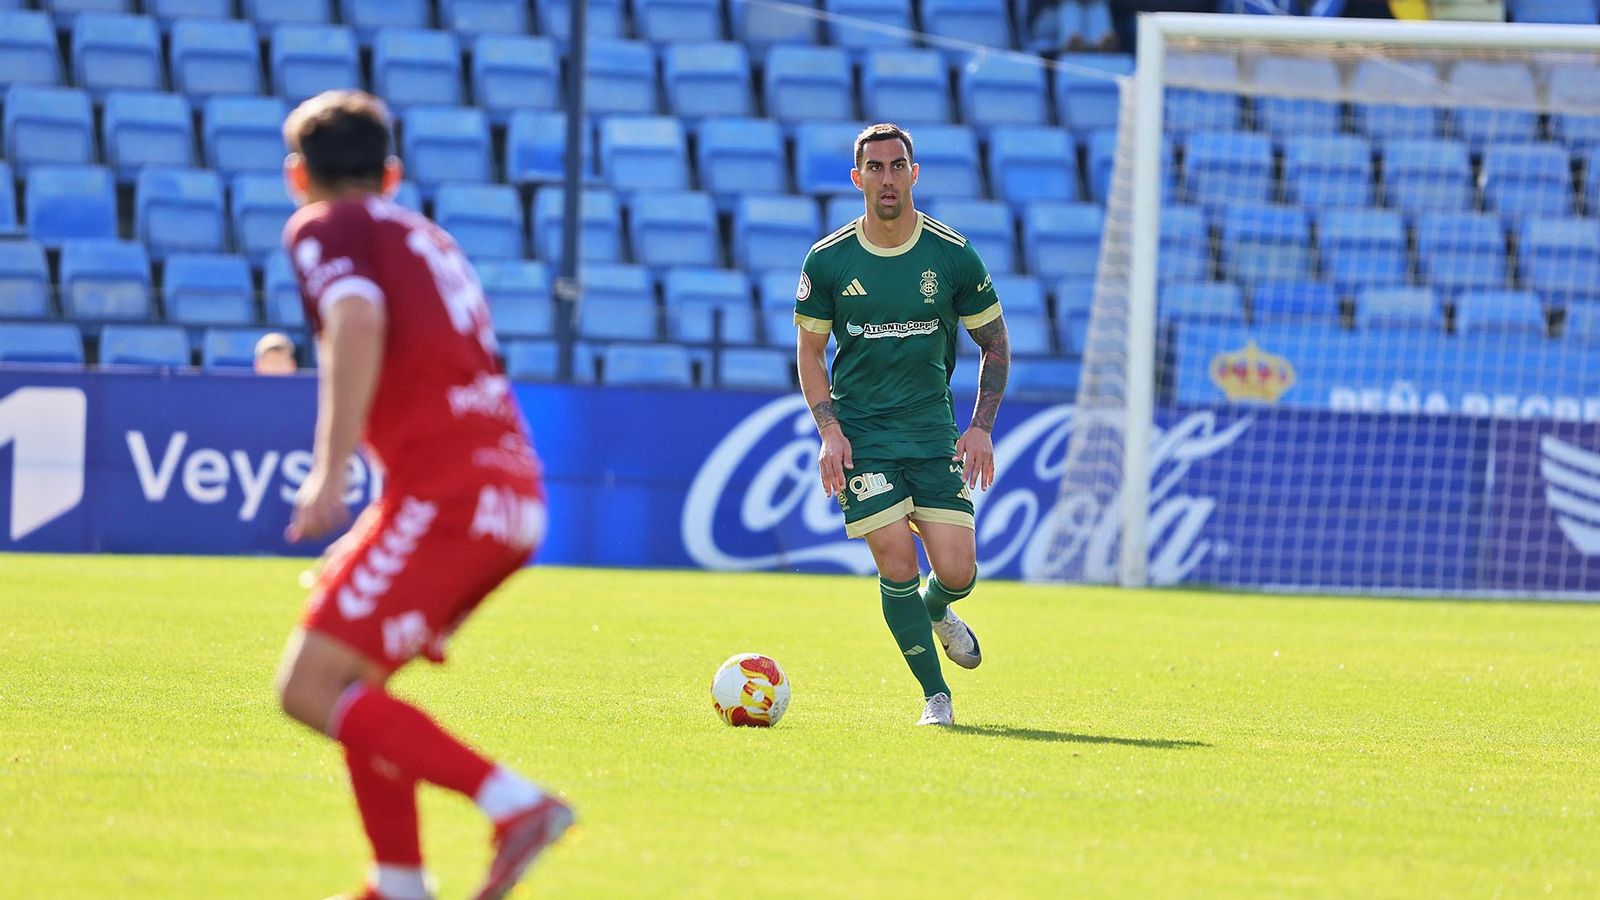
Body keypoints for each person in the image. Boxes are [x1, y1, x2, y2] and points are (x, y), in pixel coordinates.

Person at [271, 90, 571, 900]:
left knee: (309, 687)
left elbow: (357, 322)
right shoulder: (425, 234)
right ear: (393, 173)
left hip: (452, 494)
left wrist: (329, 471)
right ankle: (398, 882)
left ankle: (513, 805)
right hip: (500, 490)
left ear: (299, 175)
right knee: (351, 688)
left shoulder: (327, 225)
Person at [793, 123, 1010, 727]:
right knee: (895, 562)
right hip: (865, 438)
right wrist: (829, 432)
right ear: (857, 177)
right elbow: (810, 353)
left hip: (932, 432)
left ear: (914, 174)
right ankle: (935, 697)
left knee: (957, 573)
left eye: (897, 166)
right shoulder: (829, 259)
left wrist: (980, 426)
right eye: (876, 168)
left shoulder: (952, 254)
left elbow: (995, 345)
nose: (887, 178)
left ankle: (940, 611)